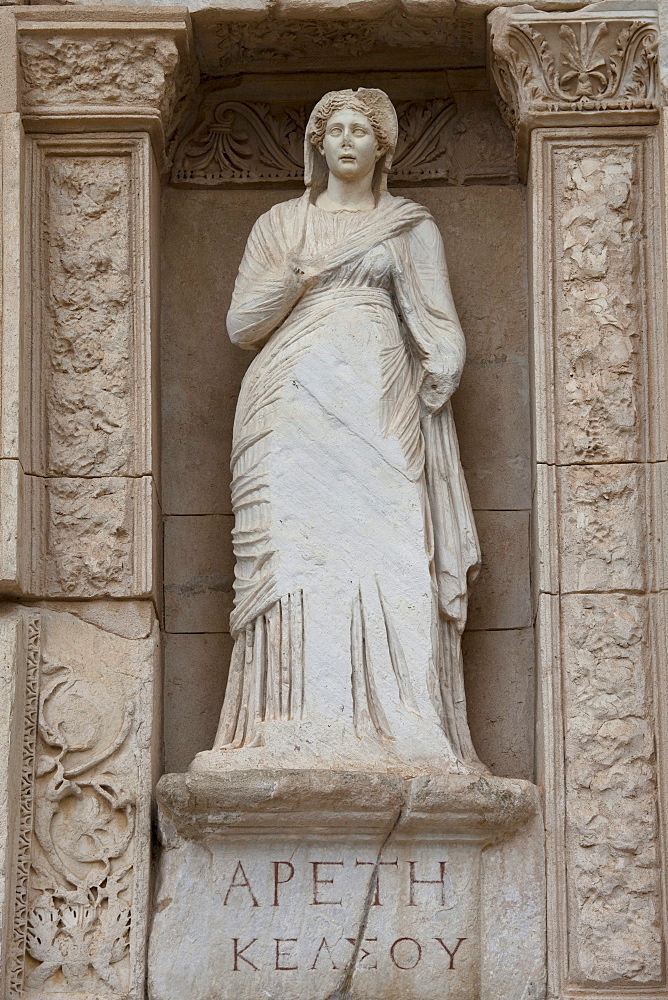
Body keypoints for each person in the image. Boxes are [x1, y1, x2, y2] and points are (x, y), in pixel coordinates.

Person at [192, 88, 482, 776]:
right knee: (295, 554)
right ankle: (289, 721)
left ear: (382, 148)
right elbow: (241, 326)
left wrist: (445, 361)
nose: (348, 140)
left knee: (392, 546)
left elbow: (439, 324)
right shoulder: (280, 224)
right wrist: (299, 277)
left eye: (361, 130)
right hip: (288, 404)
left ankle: (408, 721)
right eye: (337, 130)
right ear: (318, 146)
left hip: (380, 403)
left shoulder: (411, 227)